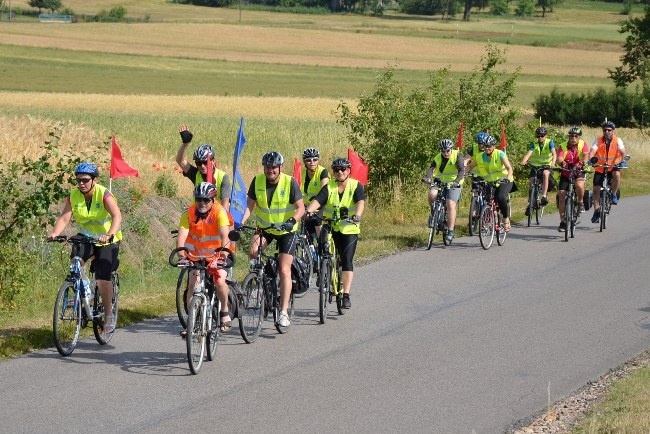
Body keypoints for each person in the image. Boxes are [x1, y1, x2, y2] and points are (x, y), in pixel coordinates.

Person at [48, 162, 122, 333]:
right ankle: (85, 290)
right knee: (75, 261)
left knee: (103, 277)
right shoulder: (73, 195)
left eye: (85, 180)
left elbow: (117, 215)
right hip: (86, 237)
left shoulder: (104, 194)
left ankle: (109, 315)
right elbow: (64, 218)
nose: (81, 183)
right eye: (78, 180)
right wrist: (55, 233)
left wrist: (109, 234)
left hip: (107, 239)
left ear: (94, 180)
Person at [241, 151, 304, 328]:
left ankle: (283, 312)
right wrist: (240, 222)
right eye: (267, 167)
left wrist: (291, 221)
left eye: (274, 167)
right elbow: (249, 206)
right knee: (253, 251)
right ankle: (258, 279)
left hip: (286, 231)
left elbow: (300, 208)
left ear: (280, 167)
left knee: (284, 269)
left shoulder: (289, 182)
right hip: (266, 228)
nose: (270, 170)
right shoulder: (257, 181)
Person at [305, 157, 366, 309]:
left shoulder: (355, 185)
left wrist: (357, 215)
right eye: (336, 170)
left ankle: (345, 294)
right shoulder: (329, 187)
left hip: (349, 228)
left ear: (348, 170)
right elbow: (318, 200)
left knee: (346, 259)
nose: (340, 172)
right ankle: (324, 269)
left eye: (343, 169)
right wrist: (308, 211)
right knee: (322, 244)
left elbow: (360, 202)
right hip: (331, 225)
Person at [176, 124, 232, 211]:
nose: (202, 166)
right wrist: (185, 144)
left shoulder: (223, 177)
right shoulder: (196, 173)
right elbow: (180, 160)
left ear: (213, 161)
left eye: (205, 162)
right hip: (198, 216)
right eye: (198, 163)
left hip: (216, 217)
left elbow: (225, 207)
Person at [465, 135, 514, 232]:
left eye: (489, 146)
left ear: (494, 146)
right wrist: (464, 173)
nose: (487, 148)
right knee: (487, 200)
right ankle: (488, 220)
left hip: (504, 180)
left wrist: (507, 178)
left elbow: (509, 168)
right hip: (490, 182)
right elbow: (470, 166)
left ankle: (505, 219)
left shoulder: (500, 154)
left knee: (500, 197)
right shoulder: (479, 156)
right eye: (485, 146)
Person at [422, 139, 464, 243]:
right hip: (439, 180)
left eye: (447, 151)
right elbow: (431, 168)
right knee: (432, 194)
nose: (445, 153)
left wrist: (457, 181)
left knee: (450, 204)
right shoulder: (438, 157)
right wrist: (427, 178)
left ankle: (450, 231)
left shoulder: (457, 156)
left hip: (454, 182)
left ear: (451, 149)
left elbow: (461, 171)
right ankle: (434, 213)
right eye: (443, 151)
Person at [588, 120, 625, 223]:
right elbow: (592, 152)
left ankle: (613, 194)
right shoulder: (598, 140)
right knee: (596, 189)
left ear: (613, 131)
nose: (607, 132)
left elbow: (622, 152)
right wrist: (591, 160)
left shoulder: (618, 140)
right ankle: (596, 211)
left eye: (609, 130)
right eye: (604, 130)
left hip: (613, 166)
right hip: (600, 167)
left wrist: (622, 161)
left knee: (617, 174)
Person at [556, 126, 589, 232]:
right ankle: (562, 222)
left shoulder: (583, 144)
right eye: (571, 136)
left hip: (579, 171)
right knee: (561, 195)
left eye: (576, 136)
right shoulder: (562, 146)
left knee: (579, 185)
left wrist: (582, 163)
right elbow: (559, 157)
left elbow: (585, 156)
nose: (573, 138)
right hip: (566, 172)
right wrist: (562, 163)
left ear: (579, 137)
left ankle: (580, 202)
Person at [520, 126, 557, 210]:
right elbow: (528, 154)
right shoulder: (534, 143)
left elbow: (554, 153)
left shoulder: (549, 142)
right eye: (538, 136)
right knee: (531, 181)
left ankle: (543, 196)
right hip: (535, 165)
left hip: (547, 165)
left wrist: (553, 163)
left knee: (545, 173)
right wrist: (523, 161)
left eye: (542, 136)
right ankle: (530, 203)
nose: (540, 138)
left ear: (546, 135)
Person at [300, 147, 329, 241]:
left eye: (315, 159)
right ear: (304, 161)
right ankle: (309, 250)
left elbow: (324, 192)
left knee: (317, 222)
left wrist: (314, 207)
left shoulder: (323, 172)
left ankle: (324, 250)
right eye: (308, 160)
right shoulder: (302, 172)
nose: (312, 162)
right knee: (305, 228)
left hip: (322, 204)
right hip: (307, 206)